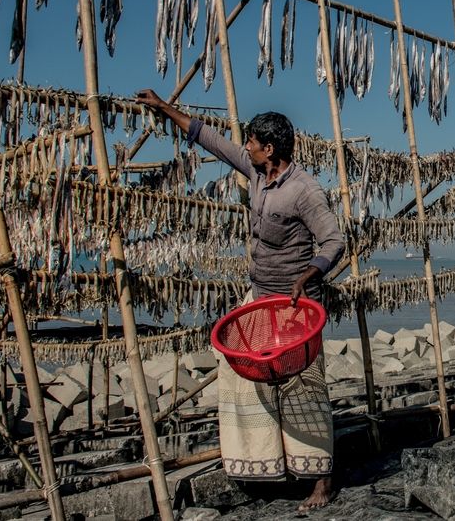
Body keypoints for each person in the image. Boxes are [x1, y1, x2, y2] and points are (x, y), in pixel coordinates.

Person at [135, 89, 344, 510]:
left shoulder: (304, 190)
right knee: (249, 380)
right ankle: (268, 464)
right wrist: (162, 107)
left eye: (251, 141)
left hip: (297, 306)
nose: (245, 146)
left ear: (270, 148)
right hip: (261, 295)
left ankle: (322, 482)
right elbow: (208, 138)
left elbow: (335, 240)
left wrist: (307, 276)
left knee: (303, 385)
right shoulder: (256, 171)